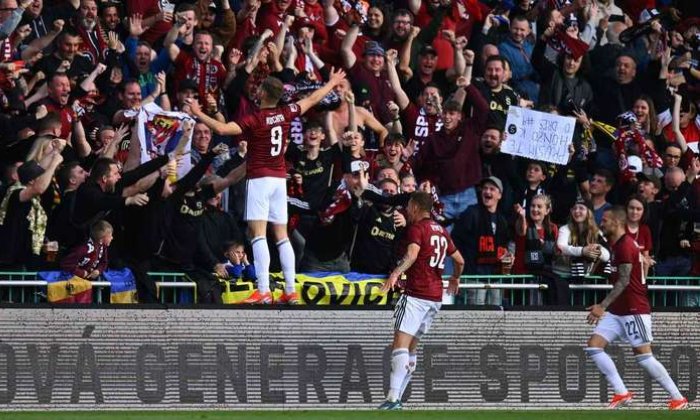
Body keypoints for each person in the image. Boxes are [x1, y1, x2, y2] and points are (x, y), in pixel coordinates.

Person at [186, 68, 347, 304]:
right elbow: (312, 99)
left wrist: (198, 112)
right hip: (280, 180)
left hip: (260, 179)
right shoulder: (286, 112)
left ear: (262, 92)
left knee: (258, 234)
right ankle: (290, 290)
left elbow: (222, 129)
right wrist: (332, 82)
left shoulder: (255, 119)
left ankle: (263, 291)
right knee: (282, 236)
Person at [585, 206, 688, 410]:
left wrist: (602, 306)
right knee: (594, 346)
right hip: (618, 310)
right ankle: (622, 393)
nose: (601, 223)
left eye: (605, 220)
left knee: (644, 356)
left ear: (617, 222)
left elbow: (624, 281)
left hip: (634, 309)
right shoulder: (618, 246)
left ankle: (678, 398)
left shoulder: (624, 246)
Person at [378, 191, 464, 410]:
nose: (406, 210)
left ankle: (393, 399)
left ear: (415, 207)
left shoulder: (417, 228)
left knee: (400, 344)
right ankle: (396, 399)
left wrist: (395, 274)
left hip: (416, 295)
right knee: (412, 348)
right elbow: (459, 260)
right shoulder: (442, 231)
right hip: (435, 298)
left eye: (408, 206)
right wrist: (455, 277)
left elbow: (412, 255)